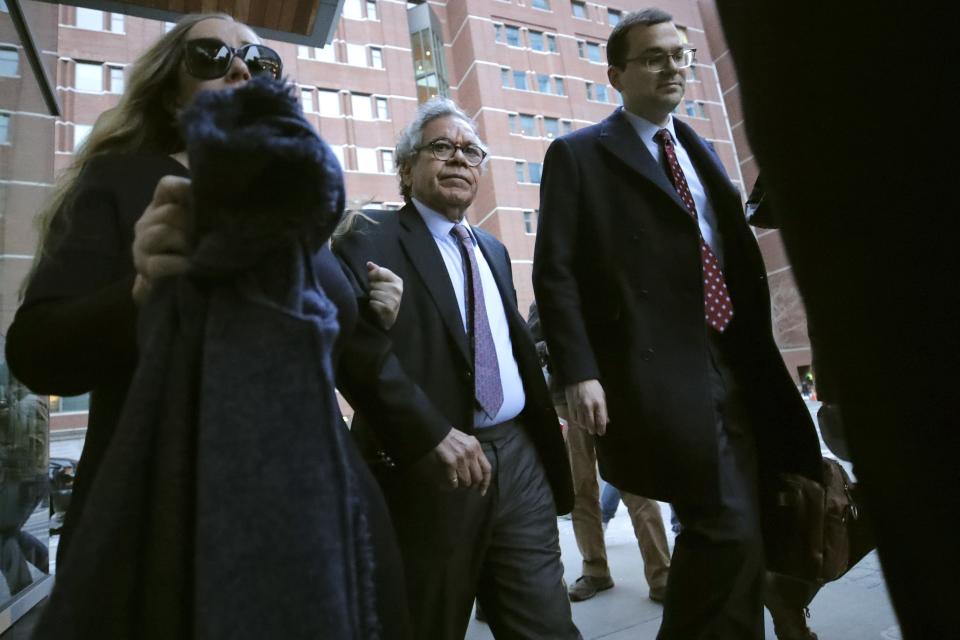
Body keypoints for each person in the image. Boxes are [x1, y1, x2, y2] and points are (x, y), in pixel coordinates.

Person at [3, 13, 408, 637]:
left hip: (320, 513)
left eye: (259, 59)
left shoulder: (299, 201)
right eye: (211, 55)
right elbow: (35, 351)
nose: (241, 67)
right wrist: (140, 291)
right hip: (170, 518)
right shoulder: (118, 182)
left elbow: (329, 351)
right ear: (171, 91)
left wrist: (375, 314)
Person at [532, 9, 821, 640]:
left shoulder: (696, 147)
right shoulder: (579, 155)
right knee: (725, 525)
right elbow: (555, 273)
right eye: (656, 56)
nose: (676, 67)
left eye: (682, 54)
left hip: (738, 359)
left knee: (746, 524)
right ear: (616, 74)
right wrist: (580, 372)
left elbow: (733, 255)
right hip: (659, 369)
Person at [332, 97, 579, 640]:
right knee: (424, 622)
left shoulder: (490, 248)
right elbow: (348, 351)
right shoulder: (366, 237)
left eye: (471, 151)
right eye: (441, 147)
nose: (459, 159)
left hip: (518, 456)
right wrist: (427, 430)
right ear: (407, 166)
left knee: (547, 624)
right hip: (429, 464)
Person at [528, 302, 670, 603]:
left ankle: (662, 576)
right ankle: (595, 571)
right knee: (581, 491)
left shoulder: (608, 283)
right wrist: (557, 347)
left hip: (618, 398)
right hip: (567, 398)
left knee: (639, 489)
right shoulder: (549, 294)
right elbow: (533, 340)